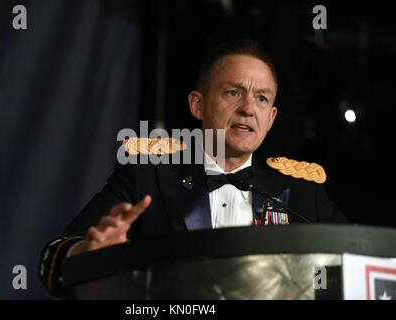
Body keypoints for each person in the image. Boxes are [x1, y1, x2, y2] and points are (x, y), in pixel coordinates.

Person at [39, 39, 347, 297]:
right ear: (197, 105)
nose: (248, 108)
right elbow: (53, 261)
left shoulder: (302, 194)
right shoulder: (148, 178)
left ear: (271, 118)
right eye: (233, 92)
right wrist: (89, 254)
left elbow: (357, 265)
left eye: (262, 98)